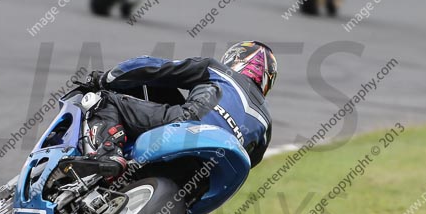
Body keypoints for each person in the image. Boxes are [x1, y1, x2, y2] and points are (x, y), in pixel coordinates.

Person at [71, 41, 277, 179]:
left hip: (190, 124)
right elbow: (250, 163)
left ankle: (107, 155)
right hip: (212, 171)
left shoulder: (218, 70)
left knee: (104, 101)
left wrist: (105, 78)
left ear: (236, 59)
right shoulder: (266, 123)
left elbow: (154, 68)